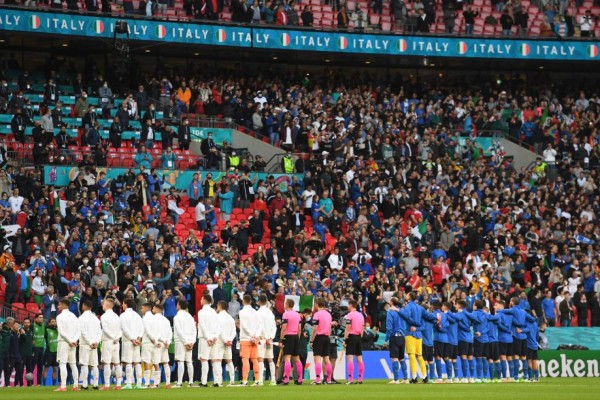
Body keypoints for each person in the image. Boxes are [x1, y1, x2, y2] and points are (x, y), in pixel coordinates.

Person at [55, 298, 80, 392]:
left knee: (62, 364)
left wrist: (70, 341)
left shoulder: (59, 317)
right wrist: (74, 340)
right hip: (73, 343)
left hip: (64, 342)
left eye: (59, 305)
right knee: (73, 364)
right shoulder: (74, 316)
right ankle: (75, 385)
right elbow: (78, 331)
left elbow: (61, 332)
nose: (58, 306)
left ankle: (63, 386)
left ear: (64, 305)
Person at [120, 298, 145, 389]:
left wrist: (132, 339)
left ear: (126, 304)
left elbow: (124, 329)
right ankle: (138, 383)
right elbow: (141, 328)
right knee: (137, 362)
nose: (122, 305)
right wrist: (138, 339)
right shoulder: (137, 315)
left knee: (129, 362)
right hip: (137, 341)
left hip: (128, 341)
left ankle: (129, 384)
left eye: (123, 304)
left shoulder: (123, 315)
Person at [404, 291, 428, 384]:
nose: (405, 295)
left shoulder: (408, 307)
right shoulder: (420, 308)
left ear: (409, 296)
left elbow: (407, 317)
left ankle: (414, 377)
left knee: (412, 356)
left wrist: (413, 325)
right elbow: (423, 326)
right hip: (419, 335)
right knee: (420, 356)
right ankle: (425, 376)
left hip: (410, 334)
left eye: (407, 294)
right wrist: (417, 328)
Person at [100, 297, 123, 390]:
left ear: (106, 305)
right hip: (116, 342)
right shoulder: (117, 316)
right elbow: (121, 330)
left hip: (108, 341)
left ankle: (107, 385)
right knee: (117, 363)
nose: (102, 305)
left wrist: (113, 337)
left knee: (107, 363)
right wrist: (117, 338)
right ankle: (118, 384)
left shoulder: (104, 316)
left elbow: (105, 329)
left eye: (103, 304)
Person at [78, 299, 101, 390]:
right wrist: (96, 342)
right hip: (94, 345)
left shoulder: (81, 318)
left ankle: (85, 385)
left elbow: (83, 332)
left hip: (85, 344)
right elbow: (99, 332)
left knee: (84, 364)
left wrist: (89, 342)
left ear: (84, 306)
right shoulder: (95, 318)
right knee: (94, 365)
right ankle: (95, 384)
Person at [197, 293, 219, 387]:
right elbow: (218, 326)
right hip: (214, 339)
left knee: (204, 359)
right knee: (214, 360)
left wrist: (208, 338)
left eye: (201, 299)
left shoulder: (201, 312)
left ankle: (204, 382)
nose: (200, 300)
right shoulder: (214, 312)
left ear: (205, 300)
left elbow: (202, 325)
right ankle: (217, 381)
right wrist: (214, 337)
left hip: (205, 339)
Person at [174, 299, 197, 388]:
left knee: (180, 361)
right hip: (189, 341)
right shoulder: (190, 316)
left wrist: (186, 342)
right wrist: (192, 342)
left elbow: (179, 331)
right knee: (189, 361)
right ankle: (191, 382)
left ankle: (179, 382)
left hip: (181, 341)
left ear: (179, 305)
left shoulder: (177, 317)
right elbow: (194, 330)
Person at [239, 294, 261, 386]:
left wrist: (251, 335)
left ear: (243, 301)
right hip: (254, 339)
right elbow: (260, 324)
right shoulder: (255, 312)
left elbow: (244, 326)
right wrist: (256, 336)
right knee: (255, 359)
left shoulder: (242, 312)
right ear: (251, 301)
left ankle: (245, 380)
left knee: (245, 359)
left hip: (245, 338)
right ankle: (257, 380)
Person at [280, 298, 302, 385]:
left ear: (287, 305)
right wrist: (298, 337)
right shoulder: (297, 315)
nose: (284, 305)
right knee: (297, 359)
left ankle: (286, 379)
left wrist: (281, 339)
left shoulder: (285, 314)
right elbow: (299, 328)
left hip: (288, 337)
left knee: (287, 358)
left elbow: (284, 328)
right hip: (296, 336)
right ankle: (300, 379)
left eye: (285, 303)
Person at [310, 297, 332, 385]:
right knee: (327, 359)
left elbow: (315, 328)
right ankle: (329, 379)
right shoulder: (328, 314)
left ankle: (318, 379)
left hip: (319, 337)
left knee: (317, 359)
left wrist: (312, 340)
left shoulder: (317, 314)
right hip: (326, 337)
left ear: (317, 304)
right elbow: (330, 327)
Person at [215, 300, 237, 386]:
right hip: (228, 341)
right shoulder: (230, 317)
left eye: (217, 305)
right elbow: (234, 331)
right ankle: (232, 380)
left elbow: (219, 330)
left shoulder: (218, 317)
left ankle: (219, 381)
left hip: (220, 341)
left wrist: (225, 340)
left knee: (218, 361)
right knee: (229, 361)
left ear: (220, 306)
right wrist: (229, 340)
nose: (217, 307)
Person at [257, 294, 277, 385]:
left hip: (261, 338)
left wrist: (263, 336)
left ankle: (260, 380)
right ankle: (273, 379)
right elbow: (274, 326)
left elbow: (259, 326)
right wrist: (271, 337)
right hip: (269, 338)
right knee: (270, 359)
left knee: (260, 358)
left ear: (259, 302)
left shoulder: (258, 313)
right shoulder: (270, 313)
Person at [343, 299, 365, 384]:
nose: (348, 307)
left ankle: (350, 379)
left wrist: (345, 339)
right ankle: (360, 379)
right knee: (359, 359)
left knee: (350, 359)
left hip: (351, 337)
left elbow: (347, 328)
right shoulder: (361, 315)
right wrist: (360, 337)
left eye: (348, 305)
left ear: (351, 305)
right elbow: (362, 328)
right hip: (359, 337)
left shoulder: (349, 315)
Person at [154, 303, 173, 388]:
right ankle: (168, 383)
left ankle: (156, 383)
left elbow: (157, 332)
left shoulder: (154, 319)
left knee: (156, 362)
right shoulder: (166, 320)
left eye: (154, 308)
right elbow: (170, 333)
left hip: (158, 343)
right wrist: (168, 342)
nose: (153, 309)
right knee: (165, 363)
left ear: (157, 309)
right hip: (165, 344)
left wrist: (160, 341)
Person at [141, 301, 160, 389]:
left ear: (145, 308)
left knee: (147, 362)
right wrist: (156, 340)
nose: (141, 310)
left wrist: (153, 340)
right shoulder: (156, 318)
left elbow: (147, 331)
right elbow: (159, 331)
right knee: (156, 362)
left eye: (142, 308)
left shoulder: (145, 318)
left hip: (148, 342)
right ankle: (156, 383)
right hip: (156, 342)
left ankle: (147, 383)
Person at [43, 317, 59, 386]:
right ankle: (43, 385)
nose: (54, 323)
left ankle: (54, 384)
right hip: (48, 352)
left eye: (55, 321)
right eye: (52, 321)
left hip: (56, 352)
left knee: (55, 369)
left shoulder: (57, 330)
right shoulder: (46, 330)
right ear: (49, 323)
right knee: (46, 368)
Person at [524, 312, 540, 382]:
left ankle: (530, 378)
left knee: (529, 361)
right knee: (535, 361)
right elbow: (537, 334)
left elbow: (526, 331)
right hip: (535, 345)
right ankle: (536, 378)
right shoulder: (535, 323)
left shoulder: (525, 323)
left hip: (528, 345)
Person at [32, 314, 46, 386]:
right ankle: (30, 383)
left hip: (41, 348)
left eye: (42, 317)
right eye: (40, 318)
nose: (41, 319)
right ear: (36, 319)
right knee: (32, 366)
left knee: (40, 367)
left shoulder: (43, 326)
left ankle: (38, 383)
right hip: (34, 348)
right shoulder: (33, 326)